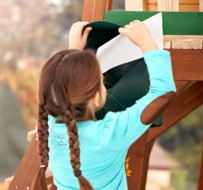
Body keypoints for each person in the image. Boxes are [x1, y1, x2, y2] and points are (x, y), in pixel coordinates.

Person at [32, 21, 177, 190]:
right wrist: (148, 44)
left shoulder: (44, 129)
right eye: (102, 83)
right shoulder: (109, 135)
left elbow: (62, 88)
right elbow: (163, 93)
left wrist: (74, 52)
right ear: (94, 98)